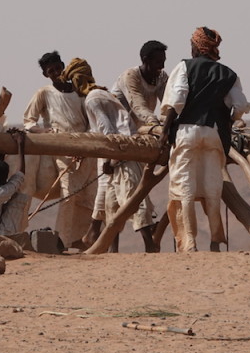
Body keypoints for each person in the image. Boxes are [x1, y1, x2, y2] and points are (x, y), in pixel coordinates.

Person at [160, 27, 250, 252]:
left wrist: (164, 131)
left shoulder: (184, 67)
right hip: (214, 134)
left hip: (187, 131)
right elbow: (239, 106)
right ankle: (215, 241)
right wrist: (229, 121)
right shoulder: (229, 74)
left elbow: (177, 100)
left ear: (195, 46)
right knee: (212, 187)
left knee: (184, 188)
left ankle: (188, 241)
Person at [61, 58, 155, 252]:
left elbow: (109, 133)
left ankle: (151, 247)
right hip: (116, 156)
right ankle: (111, 250)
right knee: (110, 205)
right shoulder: (102, 94)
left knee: (133, 201)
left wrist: (111, 160)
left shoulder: (93, 99)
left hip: (123, 155)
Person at [22, 51, 96, 247]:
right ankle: (61, 241)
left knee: (89, 197)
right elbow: (29, 121)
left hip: (85, 148)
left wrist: (86, 142)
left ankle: (82, 240)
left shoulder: (80, 91)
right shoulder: (44, 93)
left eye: (57, 68)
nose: (55, 73)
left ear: (63, 66)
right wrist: (45, 131)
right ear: (46, 74)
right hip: (61, 147)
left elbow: (90, 121)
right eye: (50, 71)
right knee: (69, 193)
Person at [112, 40, 169, 133]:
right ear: (146, 60)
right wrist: (153, 121)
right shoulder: (131, 76)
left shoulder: (161, 77)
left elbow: (168, 102)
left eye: (163, 62)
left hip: (138, 129)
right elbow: (138, 104)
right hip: (119, 128)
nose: (162, 66)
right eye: (158, 62)